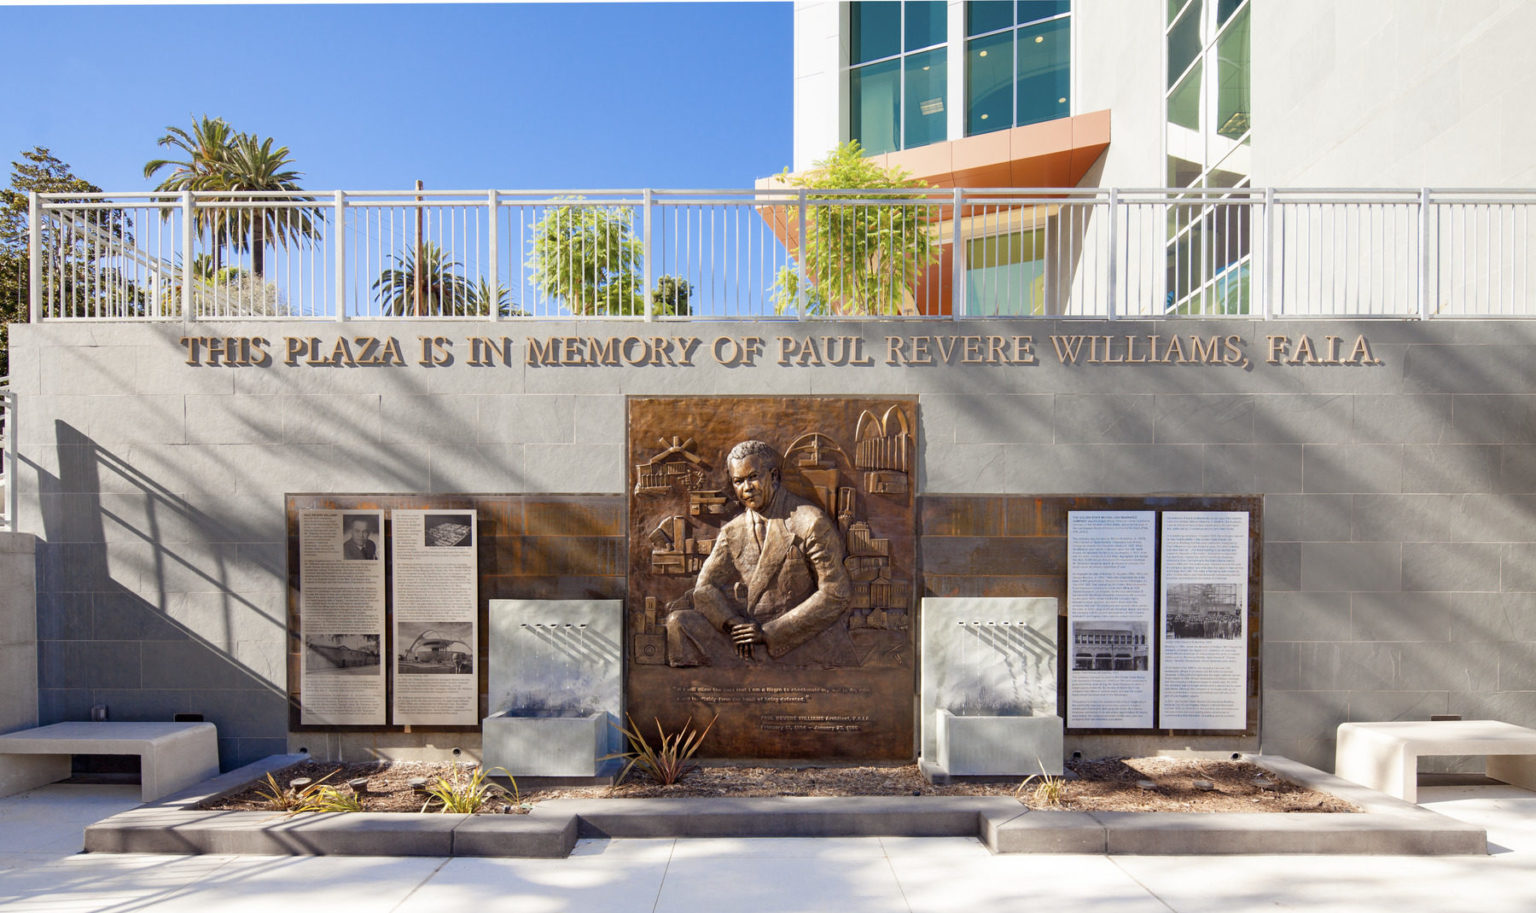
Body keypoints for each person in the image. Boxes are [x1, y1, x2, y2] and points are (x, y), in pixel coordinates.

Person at [665, 440, 854, 667]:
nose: (747, 487)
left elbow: (835, 593)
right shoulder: (732, 531)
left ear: (773, 476)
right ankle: (703, 694)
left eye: (753, 477)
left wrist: (768, 633)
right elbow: (704, 589)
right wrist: (734, 624)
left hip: (793, 638)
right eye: (738, 481)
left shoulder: (810, 521)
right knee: (679, 622)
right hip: (747, 639)